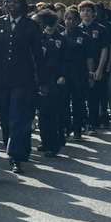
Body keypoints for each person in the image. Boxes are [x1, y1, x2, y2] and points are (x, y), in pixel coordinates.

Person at [0, 0, 40, 173]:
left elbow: (37, 56)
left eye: (16, 1)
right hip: (2, 79)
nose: (12, 5)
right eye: (9, 1)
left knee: (18, 117)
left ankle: (15, 155)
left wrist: (40, 81)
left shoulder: (31, 26)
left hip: (23, 80)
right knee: (4, 118)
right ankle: (15, 148)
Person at [33, 10, 67, 157]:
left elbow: (64, 60)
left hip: (53, 79)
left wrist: (62, 75)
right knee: (42, 114)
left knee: (51, 113)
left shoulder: (60, 40)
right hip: (38, 79)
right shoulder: (38, 38)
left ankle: (53, 144)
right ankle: (45, 140)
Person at [78, 1, 110, 131]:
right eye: (83, 10)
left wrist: (100, 69)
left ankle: (94, 122)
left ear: (94, 13)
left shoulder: (101, 29)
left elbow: (104, 49)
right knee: (81, 97)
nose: (86, 13)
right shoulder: (77, 29)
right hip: (80, 69)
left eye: (89, 10)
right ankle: (82, 122)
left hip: (97, 66)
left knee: (95, 96)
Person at [61, 7, 89, 140]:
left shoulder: (84, 36)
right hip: (65, 73)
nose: (70, 22)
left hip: (80, 72)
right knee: (64, 102)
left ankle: (78, 129)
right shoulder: (60, 36)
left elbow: (89, 57)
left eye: (73, 19)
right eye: (67, 19)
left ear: (78, 21)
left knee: (78, 102)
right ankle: (66, 127)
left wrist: (91, 73)